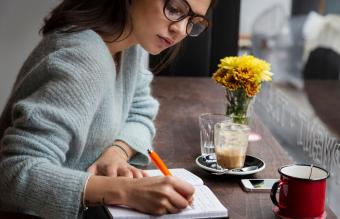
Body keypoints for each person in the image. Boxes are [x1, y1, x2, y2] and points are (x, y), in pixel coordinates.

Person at [0, 0, 214, 218]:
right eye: (175, 9)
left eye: (193, 21)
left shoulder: (132, 43)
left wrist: (117, 152)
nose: (179, 29)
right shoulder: (82, 59)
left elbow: (140, 112)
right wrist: (126, 192)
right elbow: (14, 172)